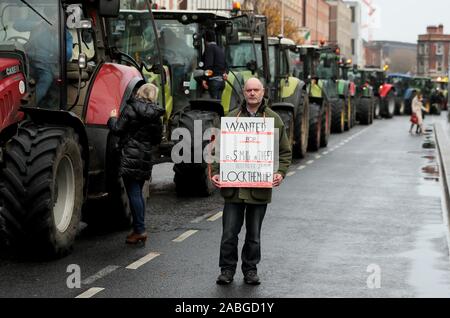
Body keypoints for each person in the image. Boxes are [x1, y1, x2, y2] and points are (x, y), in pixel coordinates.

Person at [211, 78, 292, 285]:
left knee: (253, 235)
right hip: (234, 189)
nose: (253, 93)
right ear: (244, 92)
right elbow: (217, 151)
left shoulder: (274, 120)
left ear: (263, 92)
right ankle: (227, 270)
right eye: (249, 90)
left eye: (256, 90)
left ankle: (250, 270)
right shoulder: (230, 119)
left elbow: (284, 152)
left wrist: (280, 172)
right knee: (229, 233)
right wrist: (217, 172)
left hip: (259, 190)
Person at [108, 83, 165, 245]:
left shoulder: (131, 108)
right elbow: (156, 139)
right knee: (137, 193)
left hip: (130, 155)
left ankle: (140, 230)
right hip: (145, 156)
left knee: (133, 193)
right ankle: (137, 229)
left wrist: (112, 118)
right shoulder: (155, 115)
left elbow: (118, 129)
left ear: (139, 92)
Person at [15, 7, 73, 106]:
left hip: (46, 64)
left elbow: (67, 54)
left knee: (46, 78)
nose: (54, 20)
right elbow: (17, 25)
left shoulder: (65, 34)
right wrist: (36, 24)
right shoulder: (40, 24)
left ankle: (30, 105)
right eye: (52, 17)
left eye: (57, 18)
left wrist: (56, 36)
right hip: (27, 60)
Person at [202, 30, 228, 99]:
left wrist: (204, 79)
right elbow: (226, 65)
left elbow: (209, 65)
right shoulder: (220, 49)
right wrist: (225, 74)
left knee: (212, 105)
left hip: (214, 82)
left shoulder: (209, 48)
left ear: (205, 40)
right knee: (218, 104)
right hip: (221, 82)